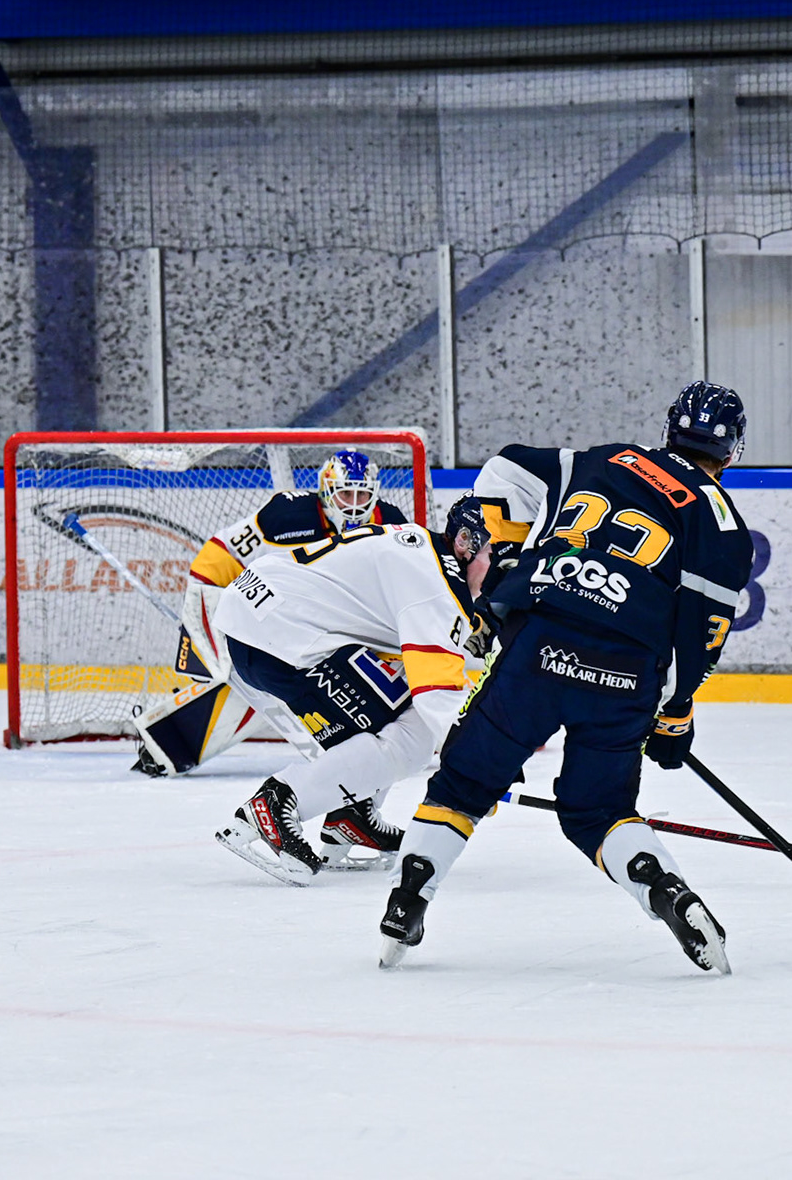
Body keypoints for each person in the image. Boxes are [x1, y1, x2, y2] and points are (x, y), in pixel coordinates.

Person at [378, 381, 755, 974]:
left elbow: (502, 469)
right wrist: (676, 713)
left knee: (462, 785)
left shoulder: (604, 458)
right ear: (732, 449)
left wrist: (504, 557)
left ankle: (408, 900)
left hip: (538, 645)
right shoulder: (724, 524)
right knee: (598, 811)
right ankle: (668, 893)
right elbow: (700, 635)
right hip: (625, 672)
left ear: (669, 428)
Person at [211, 497, 495, 885]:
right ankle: (273, 805)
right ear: (465, 543)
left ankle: (352, 812)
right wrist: (479, 769)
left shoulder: (423, 547)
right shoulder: (439, 588)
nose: (496, 568)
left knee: (399, 702)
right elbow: (437, 696)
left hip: (264, 618)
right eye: (492, 555)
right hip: (276, 635)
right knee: (413, 736)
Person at [133, 449, 409, 778]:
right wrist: (203, 613)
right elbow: (221, 555)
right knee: (262, 672)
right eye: (345, 494)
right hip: (290, 621)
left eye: (361, 494)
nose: (353, 504)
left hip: (346, 622)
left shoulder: (391, 523)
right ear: (326, 492)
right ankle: (168, 744)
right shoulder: (287, 516)